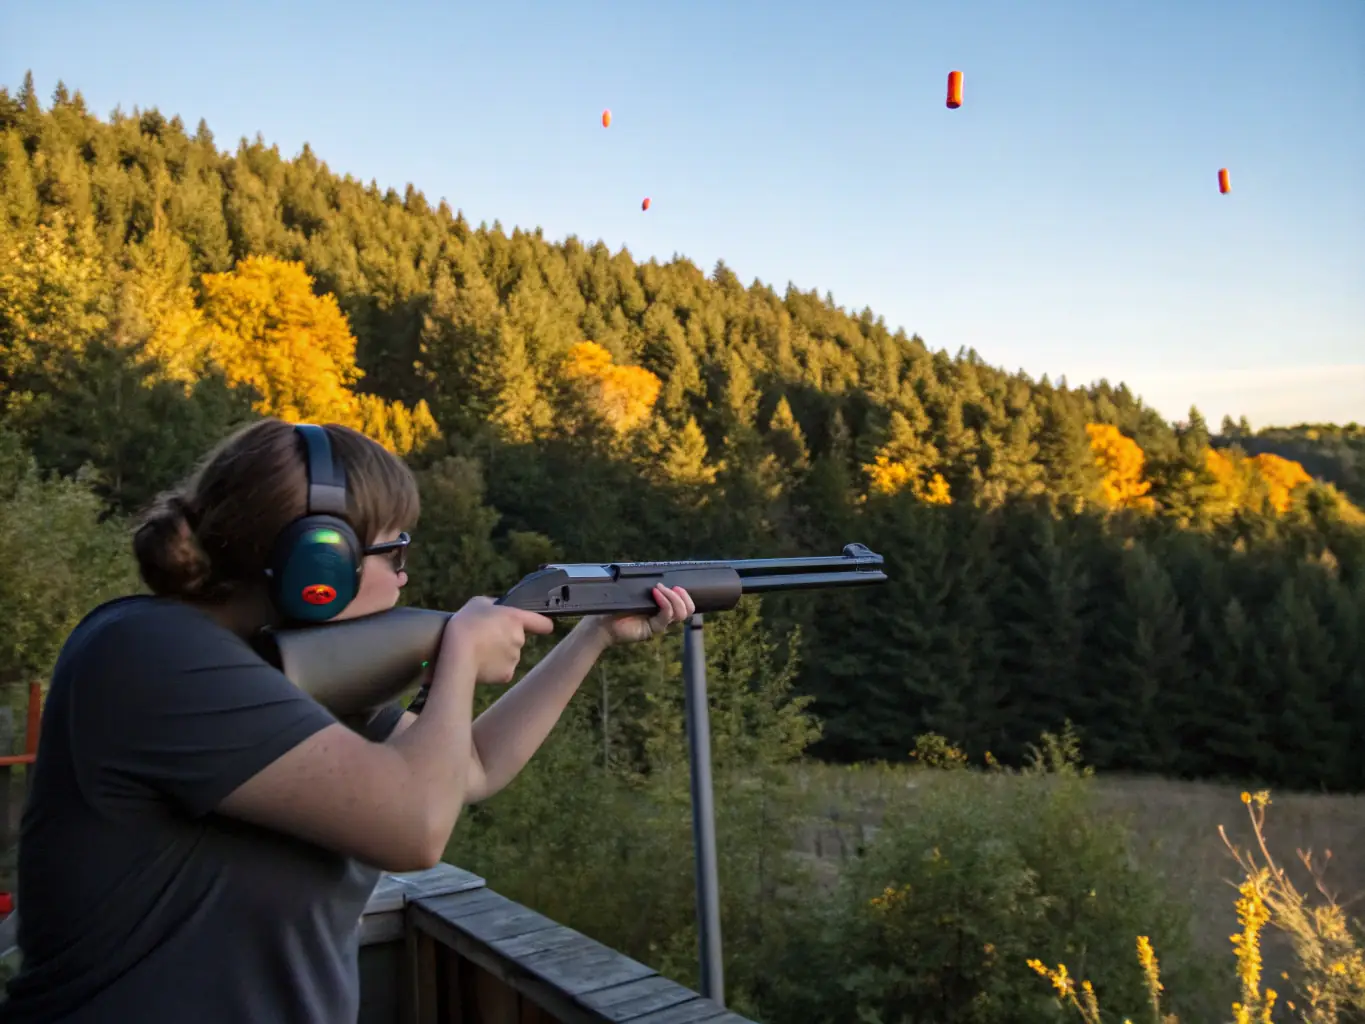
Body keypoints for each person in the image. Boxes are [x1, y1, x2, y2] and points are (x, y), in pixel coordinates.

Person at [0, 417, 694, 1023]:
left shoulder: (276, 671)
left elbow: (471, 769)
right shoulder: (151, 656)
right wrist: (456, 658)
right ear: (315, 560)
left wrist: (591, 635)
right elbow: (416, 829)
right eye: (393, 550)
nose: (403, 576)